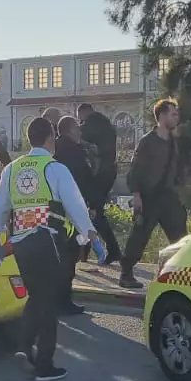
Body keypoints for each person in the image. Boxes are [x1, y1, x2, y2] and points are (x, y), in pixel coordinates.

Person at [0, 117, 98, 381]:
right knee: (48, 301)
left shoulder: (12, 170)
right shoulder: (55, 168)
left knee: (37, 295)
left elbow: (0, 207)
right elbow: (75, 206)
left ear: (29, 138)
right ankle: (43, 365)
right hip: (48, 241)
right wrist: (92, 237)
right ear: (50, 138)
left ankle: (24, 349)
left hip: (21, 243)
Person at [119, 99, 186, 290]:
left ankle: (180, 274)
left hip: (169, 197)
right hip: (149, 196)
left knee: (180, 237)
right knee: (140, 236)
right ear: (162, 115)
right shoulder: (147, 141)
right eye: (173, 114)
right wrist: (137, 194)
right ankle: (126, 273)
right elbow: (135, 170)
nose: (177, 117)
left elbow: (177, 169)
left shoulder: (174, 142)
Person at [53, 116, 94, 317]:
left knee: (60, 255)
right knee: (69, 256)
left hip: (55, 211)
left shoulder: (54, 151)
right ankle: (63, 301)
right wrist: (92, 205)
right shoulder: (75, 153)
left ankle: (56, 299)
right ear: (69, 130)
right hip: (71, 211)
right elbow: (84, 180)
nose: (80, 131)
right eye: (77, 128)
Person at [77, 103, 121, 265]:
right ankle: (85, 253)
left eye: (79, 116)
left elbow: (78, 137)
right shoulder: (106, 124)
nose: (79, 120)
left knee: (95, 213)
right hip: (109, 172)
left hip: (99, 174)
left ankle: (112, 250)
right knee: (92, 212)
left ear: (84, 112)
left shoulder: (91, 125)